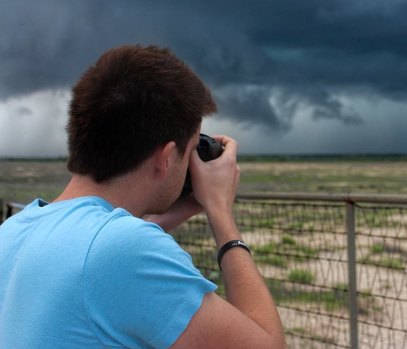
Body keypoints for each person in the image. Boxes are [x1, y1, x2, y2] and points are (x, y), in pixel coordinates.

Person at [0, 45, 286, 348]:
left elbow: (85, 258)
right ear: (165, 158)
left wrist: (174, 210)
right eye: (189, 152)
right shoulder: (122, 250)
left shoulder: (13, 232)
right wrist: (220, 211)